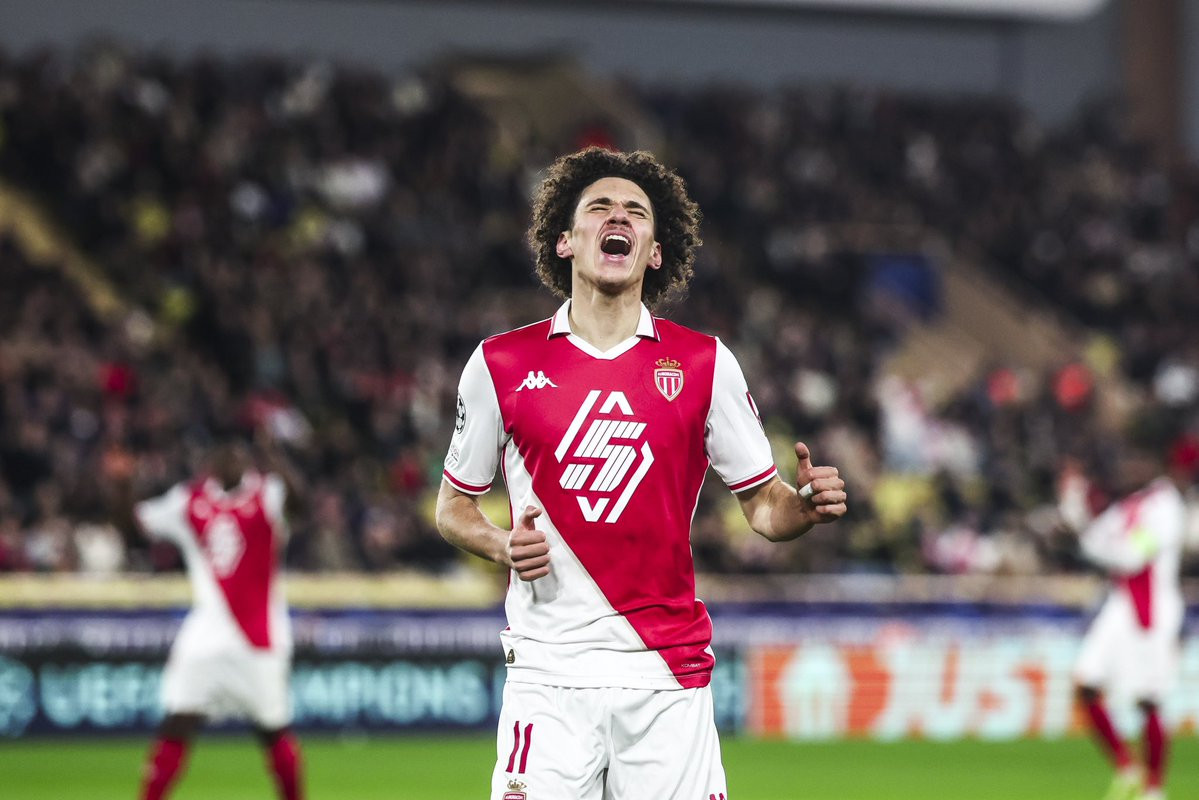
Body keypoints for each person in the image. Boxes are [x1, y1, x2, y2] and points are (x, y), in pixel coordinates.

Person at [435, 147, 848, 800]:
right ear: (565, 240)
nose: (617, 217)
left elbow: (764, 507)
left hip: (666, 678)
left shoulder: (705, 364)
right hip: (549, 674)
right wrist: (501, 543)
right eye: (599, 207)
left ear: (654, 252)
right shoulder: (499, 364)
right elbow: (453, 507)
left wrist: (801, 505)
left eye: (635, 211)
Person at [120, 433, 305, 800]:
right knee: (178, 720)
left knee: (272, 730)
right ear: (211, 463)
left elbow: (301, 505)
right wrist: (121, 486)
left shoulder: (268, 492)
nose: (232, 458)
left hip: (259, 639)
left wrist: (279, 460)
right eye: (225, 453)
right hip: (206, 636)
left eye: (238, 452)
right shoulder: (188, 501)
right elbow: (135, 525)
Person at [1057, 424, 1193, 800]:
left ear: (1156, 464)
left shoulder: (1166, 507)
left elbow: (1132, 555)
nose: (1128, 467)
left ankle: (1154, 789)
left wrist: (1092, 545)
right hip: (1120, 605)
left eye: (1137, 460)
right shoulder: (1128, 506)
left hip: (1153, 610)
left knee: (1149, 699)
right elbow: (1092, 538)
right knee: (1086, 684)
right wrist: (1073, 508)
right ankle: (1126, 766)